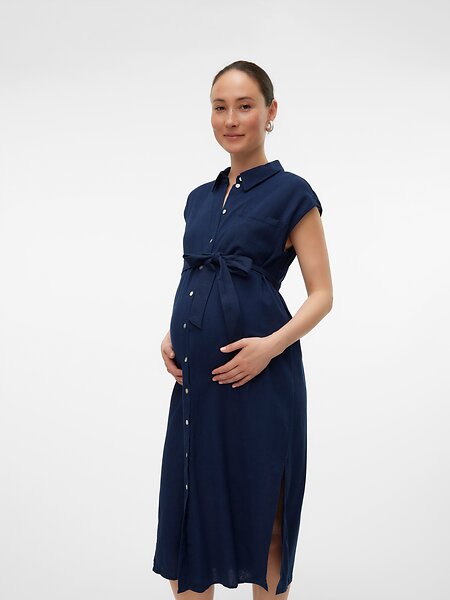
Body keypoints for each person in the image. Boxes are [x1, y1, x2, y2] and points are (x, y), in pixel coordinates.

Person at [152, 60, 333, 599]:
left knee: (266, 516)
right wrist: (173, 333)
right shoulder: (198, 199)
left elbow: (322, 294)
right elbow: (193, 277)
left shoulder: (293, 193)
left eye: (245, 106)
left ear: (270, 112)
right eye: (220, 107)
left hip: (262, 381)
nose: (231, 119)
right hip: (198, 386)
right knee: (190, 513)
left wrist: (269, 348)